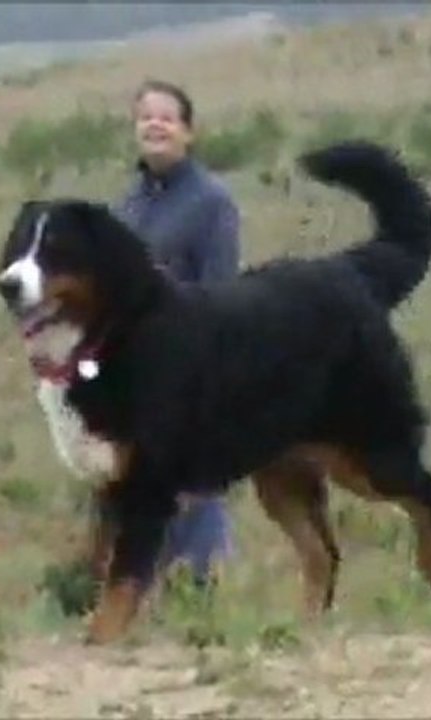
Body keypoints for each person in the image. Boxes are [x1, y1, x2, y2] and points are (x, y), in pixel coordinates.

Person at [114, 79, 241, 588]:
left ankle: (205, 585)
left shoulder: (212, 203)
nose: (155, 124)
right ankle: (149, 589)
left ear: (188, 132)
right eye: (145, 116)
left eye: (167, 117)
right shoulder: (128, 207)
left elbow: (220, 290)